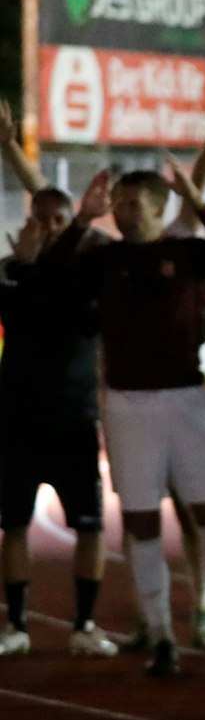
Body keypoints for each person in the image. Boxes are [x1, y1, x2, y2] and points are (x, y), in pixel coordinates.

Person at [39, 163, 205, 676]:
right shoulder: (103, 258)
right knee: (140, 523)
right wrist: (81, 220)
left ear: (160, 210)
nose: (123, 212)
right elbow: (51, 276)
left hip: (186, 401)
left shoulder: (185, 253)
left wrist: (197, 199)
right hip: (128, 404)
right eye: (118, 203)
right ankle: (160, 636)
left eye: (133, 203)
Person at [0, 182, 113, 658]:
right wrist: (23, 267)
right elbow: (15, 314)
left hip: (73, 418)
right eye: (38, 218)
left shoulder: (87, 273)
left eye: (57, 220)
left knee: (90, 527)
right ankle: (18, 624)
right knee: (15, 524)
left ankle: (84, 625)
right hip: (19, 420)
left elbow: (76, 317)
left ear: (70, 225)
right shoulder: (10, 271)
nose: (46, 229)